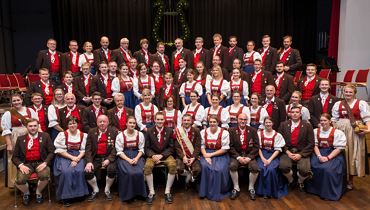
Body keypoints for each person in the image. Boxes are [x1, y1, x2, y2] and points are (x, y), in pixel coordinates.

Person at [331, 84, 370, 190]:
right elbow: (334, 119)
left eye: (350, 92)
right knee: (341, 154)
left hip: (354, 132)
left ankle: (350, 180)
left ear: (354, 93)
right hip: (340, 132)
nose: (347, 93)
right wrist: (334, 130)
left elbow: (367, 119)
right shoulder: (338, 104)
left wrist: (368, 129)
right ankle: (340, 179)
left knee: (352, 155)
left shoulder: (361, 103)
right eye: (346, 91)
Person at [12, 118, 54, 205]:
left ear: (38, 126)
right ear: (26, 127)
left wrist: (45, 163)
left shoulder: (45, 136)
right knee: (20, 180)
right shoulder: (20, 139)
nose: (33, 128)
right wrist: (21, 165)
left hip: (41, 162)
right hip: (26, 164)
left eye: (35, 126)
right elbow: (15, 157)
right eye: (30, 126)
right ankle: (26, 193)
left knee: (45, 175)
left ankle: (38, 192)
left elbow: (51, 152)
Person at [306, 113, 347, 200]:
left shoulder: (337, 132)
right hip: (319, 153)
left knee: (328, 169)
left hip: (333, 154)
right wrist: (319, 156)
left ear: (330, 121)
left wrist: (328, 158)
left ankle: (329, 193)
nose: (323, 122)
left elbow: (339, 149)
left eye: (325, 120)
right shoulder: (316, 131)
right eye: (321, 120)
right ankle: (315, 190)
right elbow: (315, 145)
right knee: (313, 165)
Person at [1, 94, 38, 188]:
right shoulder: (8, 113)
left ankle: (31, 182)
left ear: (22, 100)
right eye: (14, 101)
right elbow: (6, 130)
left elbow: (36, 124)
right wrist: (9, 144)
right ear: (11, 102)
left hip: (30, 135)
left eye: (18, 100)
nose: (16, 102)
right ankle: (17, 183)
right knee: (15, 158)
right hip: (15, 137)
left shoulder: (30, 110)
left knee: (30, 156)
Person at [53, 116, 89, 206]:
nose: (72, 125)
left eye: (74, 123)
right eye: (70, 124)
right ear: (67, 125)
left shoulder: (83, 135)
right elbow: (59, 150)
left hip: (79, 155)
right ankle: (66, 197)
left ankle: (79, 195)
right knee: (66, 172)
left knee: (79, 170)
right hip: (65, 155)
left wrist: (77, 158)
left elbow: (84, 150)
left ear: (77, 124)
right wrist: (72, 158)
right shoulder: (62, 135)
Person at [278, 106, 314, 191]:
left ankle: (300, 181)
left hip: (302, 152)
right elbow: (279, 141)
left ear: (300, 114)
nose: (294, 114)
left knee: (305, 170)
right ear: (289, 114)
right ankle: (291, 180)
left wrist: (300, 154)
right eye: (293, 112)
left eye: (297, 112)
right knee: (283, 167)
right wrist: (288, 152)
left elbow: (311, 143)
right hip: (288, 151)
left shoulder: (307, 126)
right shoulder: (283, 125)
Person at [144, 112, 176, 204]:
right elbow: (147, 147)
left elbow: (171, 147)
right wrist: (153, 155)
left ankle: (167, 191)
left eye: (161, 119)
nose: (160, 121)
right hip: (152, 155)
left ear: (164, 120)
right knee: (147, 166)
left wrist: (161, 155)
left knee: (173, 165)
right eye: (158, 119)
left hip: (165, 155)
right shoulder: (149, 131)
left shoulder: (169, 130)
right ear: (154, 120)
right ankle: (151, 192)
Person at [84, 115, 119, 201]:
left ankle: (107, 189)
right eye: (100, 121)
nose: (102, 123)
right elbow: (88, 149)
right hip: (96, 157)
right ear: (97, 122)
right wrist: (89, 162)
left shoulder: (114, 131)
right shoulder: (91, 132)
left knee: (112, 170)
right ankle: (95, 189)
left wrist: (109, 159)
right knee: (88, 171)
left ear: (108, 122)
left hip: (109, 157)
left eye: (104, 121)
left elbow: (116, 148)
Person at [199, 115, 231, 201]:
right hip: (206, 153)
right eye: (211, 122)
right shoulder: (203, 132)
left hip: (220, 154)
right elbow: (202, 146)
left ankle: (219, 191)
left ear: (218, 122)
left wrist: (211, 155)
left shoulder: (224, 133)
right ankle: (204, 192)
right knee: (205, 167)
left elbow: (225, 149)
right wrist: (205, 155)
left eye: (214, 122)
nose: (212, 123)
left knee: (218, 169)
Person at [228, 113, 259, 200]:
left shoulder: (253, 130)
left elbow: (256, 146)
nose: (243, 121)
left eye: (245, 119)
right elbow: (230, 146)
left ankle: (251, 188)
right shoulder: (231, 130)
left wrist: (249, 157)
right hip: (236, 155)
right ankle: (236, 188)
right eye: (241, 119)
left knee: (255, 168)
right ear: (237, 120)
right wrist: (238, 157)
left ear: (247, 120)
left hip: (249, 155)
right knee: (232, 166)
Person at [115, 116, 147, 202]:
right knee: (129, 172)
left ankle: (139, 194)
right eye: (130, 123)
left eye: (134, 123)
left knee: (139, 172)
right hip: (124, 157)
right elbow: (119, 152)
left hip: (137, 155)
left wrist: (136, 158)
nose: (132, 124)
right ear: (126, 124)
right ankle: (128, 195)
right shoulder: (120, 136)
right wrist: (129, 160)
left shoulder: (140, 134)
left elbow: (141, 149)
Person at [255, 117, 288, 199]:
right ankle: (262, 191)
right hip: (262, 154)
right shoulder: (259, 134)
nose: (268, 124)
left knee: (271, 169)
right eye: (266, 122)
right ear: (264, 123)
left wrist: (269, 160)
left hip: (273, 155)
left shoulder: (277, 135)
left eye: (270, 122)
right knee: (261, 168)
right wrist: (262, 158)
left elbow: (278, 150)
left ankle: (270, 191)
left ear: (272, 123)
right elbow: (258, 148)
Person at [174, 114, 202, 188]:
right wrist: (183, 157)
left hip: (193, 156)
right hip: (181, 156)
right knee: (178, 168)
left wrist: (193, 157)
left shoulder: (196, 130)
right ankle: (188, 175)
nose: (186, 122)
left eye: (188, 120)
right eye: (184, 120)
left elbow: (197, 146)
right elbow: (177, 147)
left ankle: (192, 182)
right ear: (182, 121)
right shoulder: (177, 131)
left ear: (192, 121)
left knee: (197, 169)